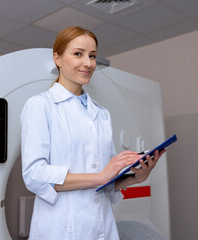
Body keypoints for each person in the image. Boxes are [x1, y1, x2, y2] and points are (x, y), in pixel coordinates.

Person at [20, 26, 165, 240]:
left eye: (93, 56)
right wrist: (100, 176)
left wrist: (136, 177)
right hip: (60, 229)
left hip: (102, 227)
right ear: (57, 58)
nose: (88, 63)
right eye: (78, 54)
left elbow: (106, 181)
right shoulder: (40, 105)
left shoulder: (102, 113)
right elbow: (34, 174)